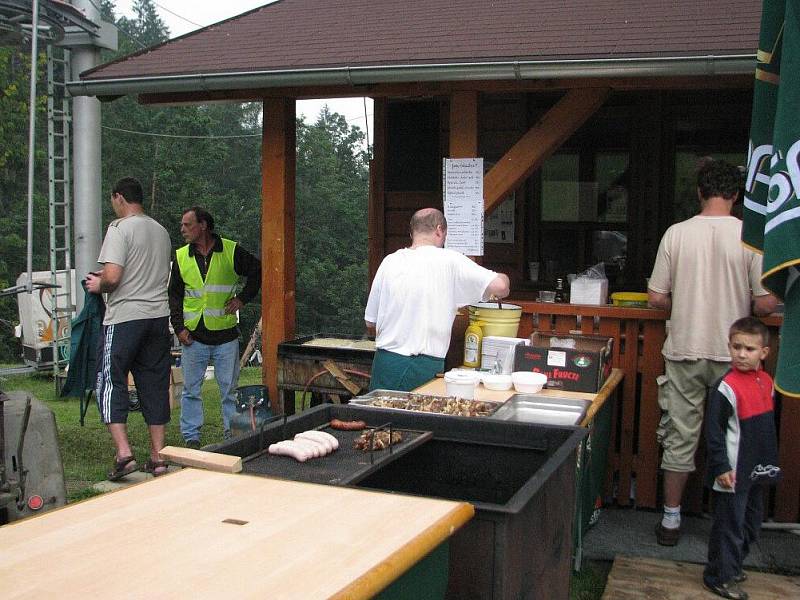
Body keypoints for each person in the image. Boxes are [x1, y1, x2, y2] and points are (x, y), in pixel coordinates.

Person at [648, 159, 777, 546]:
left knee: (680, 436)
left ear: (700, 192)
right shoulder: (749, 237)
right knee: (735, 437)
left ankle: (671, 521)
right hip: (735, 357)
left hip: (685, 348)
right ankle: (729, 521)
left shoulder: (676, 234)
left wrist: (685, 302)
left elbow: (656, 297)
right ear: (736, 195)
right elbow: (767, 304)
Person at [364, 208, 510, 391]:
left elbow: (371, 322)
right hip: (420, 365)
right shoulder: (450, 260)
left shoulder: (389, 262)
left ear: (412, 233)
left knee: (378, 418)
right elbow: (501, 287)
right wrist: (504, 277)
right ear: (440, 230)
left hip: (385, 363)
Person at [86, 177, 172, 480]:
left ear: (118, 198)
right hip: (159, 317)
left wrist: (99, 284)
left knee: (110, 379)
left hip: (124, 317)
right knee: (154, 383)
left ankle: (124, 454)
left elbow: (112, 276)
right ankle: (158, 457)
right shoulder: (161, 231)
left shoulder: (119, 228)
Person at [168, 207, 261, 447]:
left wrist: (242, 299)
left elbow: (257, 270)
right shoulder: (180, 256)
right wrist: (179, 328)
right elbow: (175, 296)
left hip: (225, 335)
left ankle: (231, 435)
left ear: (203, 226)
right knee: (191, 390)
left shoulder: (230, 250)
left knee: (229, 390)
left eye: (187, 225)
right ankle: (191, 438)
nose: (182, 230)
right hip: (193, 336)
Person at [703, 317, 780, 600]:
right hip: (733, 471)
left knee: (751, 523)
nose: (742, 354)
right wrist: (721, 466)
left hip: (757, 469)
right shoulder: (725, 386)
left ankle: (732, 566)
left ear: (764, 352)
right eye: (737, 347)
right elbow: (714, 432)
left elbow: (765, 427)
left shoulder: (767, 382)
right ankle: (718, 576)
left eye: (749, 349)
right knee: (729, 526)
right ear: (729, 347)